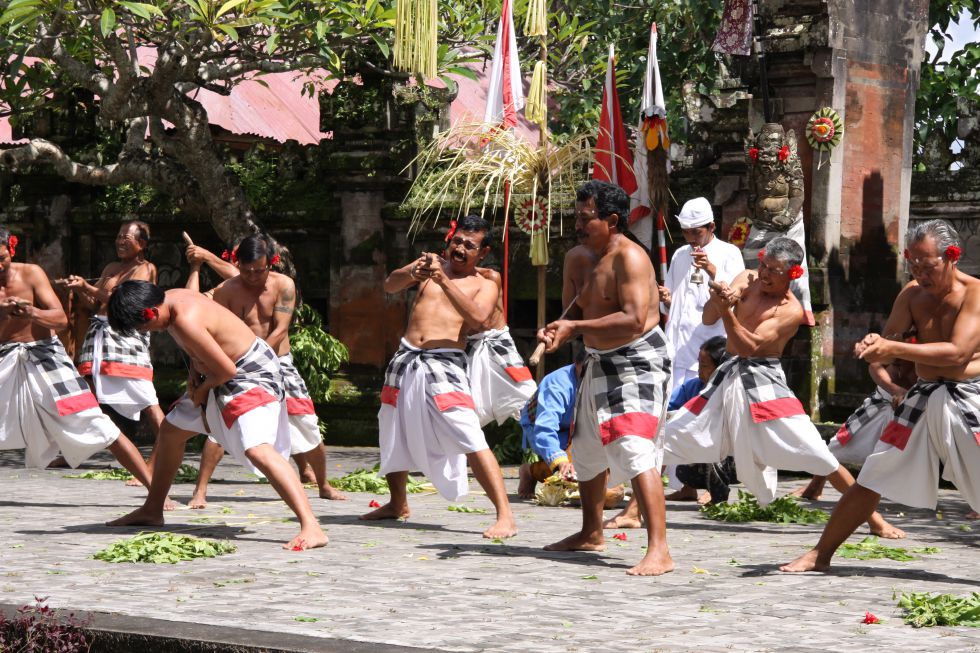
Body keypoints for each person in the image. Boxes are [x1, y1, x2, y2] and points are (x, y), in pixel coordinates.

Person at [660, 237, 902, 540]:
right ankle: (632, 512)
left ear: (793, 274)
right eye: (763, 265)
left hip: (766, 382)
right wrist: (725, 297)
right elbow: (709, 316)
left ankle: (874, 519)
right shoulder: (748, 279)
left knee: (818, 453)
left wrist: (727, 312)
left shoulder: (790, 311)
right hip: (728, 375)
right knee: (669, 434)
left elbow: (750, 346)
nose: (763, 274)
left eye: (773, 270)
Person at [783, 220, 980, 572]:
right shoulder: (911, 295)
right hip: (920, 398)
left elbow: (957, 353)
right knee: (873, 473)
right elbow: (888, 347)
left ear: (952, 256)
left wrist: (890, 345)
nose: (919, 271)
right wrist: (873, 346)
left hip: (967, 395)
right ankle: (820, 555)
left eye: (927, 264)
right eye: (913, 263)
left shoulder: (975, 294)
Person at [104, 281, 326, 550]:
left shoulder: (185, 318)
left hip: (251, 374)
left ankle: (311, 525)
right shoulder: (170, 300)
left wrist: (202, 390)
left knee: (257, 449)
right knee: (171, 431)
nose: (145, 332)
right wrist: (194, 378)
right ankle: (153, 509)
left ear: (151, 312)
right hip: (218, 372)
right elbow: (201, 350)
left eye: (142, 327)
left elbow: (227, 370)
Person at [537, 180, 673, 576]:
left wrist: (575, 326)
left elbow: (633, 320)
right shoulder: (577, 258)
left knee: (633, 445)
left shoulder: (630, 258)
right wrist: (558, 329)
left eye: (585, 218)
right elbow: (569, 313)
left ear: (611, 220)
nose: (577, 225)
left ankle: (660, 550)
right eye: (576, 217)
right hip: (597, 360)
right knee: (586, 448)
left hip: (638, 360)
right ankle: (590, 532)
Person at [361, 214, 517, 539]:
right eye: (457, 241)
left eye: (469, 245)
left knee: (469, 433)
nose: (459, 248)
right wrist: (411, 272)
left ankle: (505, 515)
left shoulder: (485, 282)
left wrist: (444, 282)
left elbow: (478, 319)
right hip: (405, 358)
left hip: (445, 362)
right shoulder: (429, 268)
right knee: (393, 426)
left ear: (483, 252)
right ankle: (397, 503)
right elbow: (389, 285)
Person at [184, 235, 345, 508]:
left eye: (259, 270)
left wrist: (258, 357)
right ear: (237, 264)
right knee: (221, 424)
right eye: (246, 270)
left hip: (278, 361)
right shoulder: (225, 291)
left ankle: (323, 484)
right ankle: (200, 490)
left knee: (305, 420)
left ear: (271, 263)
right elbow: (201, 317)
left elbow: (280, 328)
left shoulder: (284, 285)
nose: (252, 276)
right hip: (238, 367)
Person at [0, 226, 153, 486]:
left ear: (10, 251)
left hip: (45, 355)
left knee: (95, 421)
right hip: (5, 357)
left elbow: (60, 320)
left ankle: (156, 490)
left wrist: (32, 313)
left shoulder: (31, 274)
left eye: (1, 258)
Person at [61, 221, 165, 472]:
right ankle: (70, 452)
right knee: (84, 395)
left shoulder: (146, 269)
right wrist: (80, 289)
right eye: (118, 236)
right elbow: (96, 305)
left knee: (147, 400)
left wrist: (88, 287)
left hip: (125, 337)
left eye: (126, 238)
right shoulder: (111, 267)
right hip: (98, 337)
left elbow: (125, 302)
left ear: (141, 244)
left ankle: (160, 459)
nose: (120, 241)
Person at [792, 355, 916, 500]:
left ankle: (873, 498)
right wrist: (894, 389)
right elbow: (874, 364)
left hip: (913, 407)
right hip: (881, 402)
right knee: (835, 446)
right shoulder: (898, 336)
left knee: (898, 458)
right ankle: (815, 487)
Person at [659, 198, 745, 393]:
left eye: (696, 232)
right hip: (676, 347)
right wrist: (666, 299)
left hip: (707, 349)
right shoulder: (680, 254)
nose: (690, 238)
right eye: (685, 232)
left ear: (711, 227)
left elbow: (733, 296)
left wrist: (710, 268)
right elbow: (673, 302)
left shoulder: (729, 253)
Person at [466, 248, 536, 427]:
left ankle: (551, 447)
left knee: (529, 396)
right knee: (466, 409)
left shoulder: (490, 277)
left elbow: (481, 321)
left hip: (497, 343)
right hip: (468, 347)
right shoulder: (448, 277)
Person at [516, 348, 587, 499]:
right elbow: (545, 427)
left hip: (578, 427)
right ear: (576, 364)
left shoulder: (601, 379)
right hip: (540, 426)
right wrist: (560, 460)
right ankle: (530, 471)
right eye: (585, 370)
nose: (589, 375)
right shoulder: (557, 384)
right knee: (565, 467)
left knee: (589, 463)